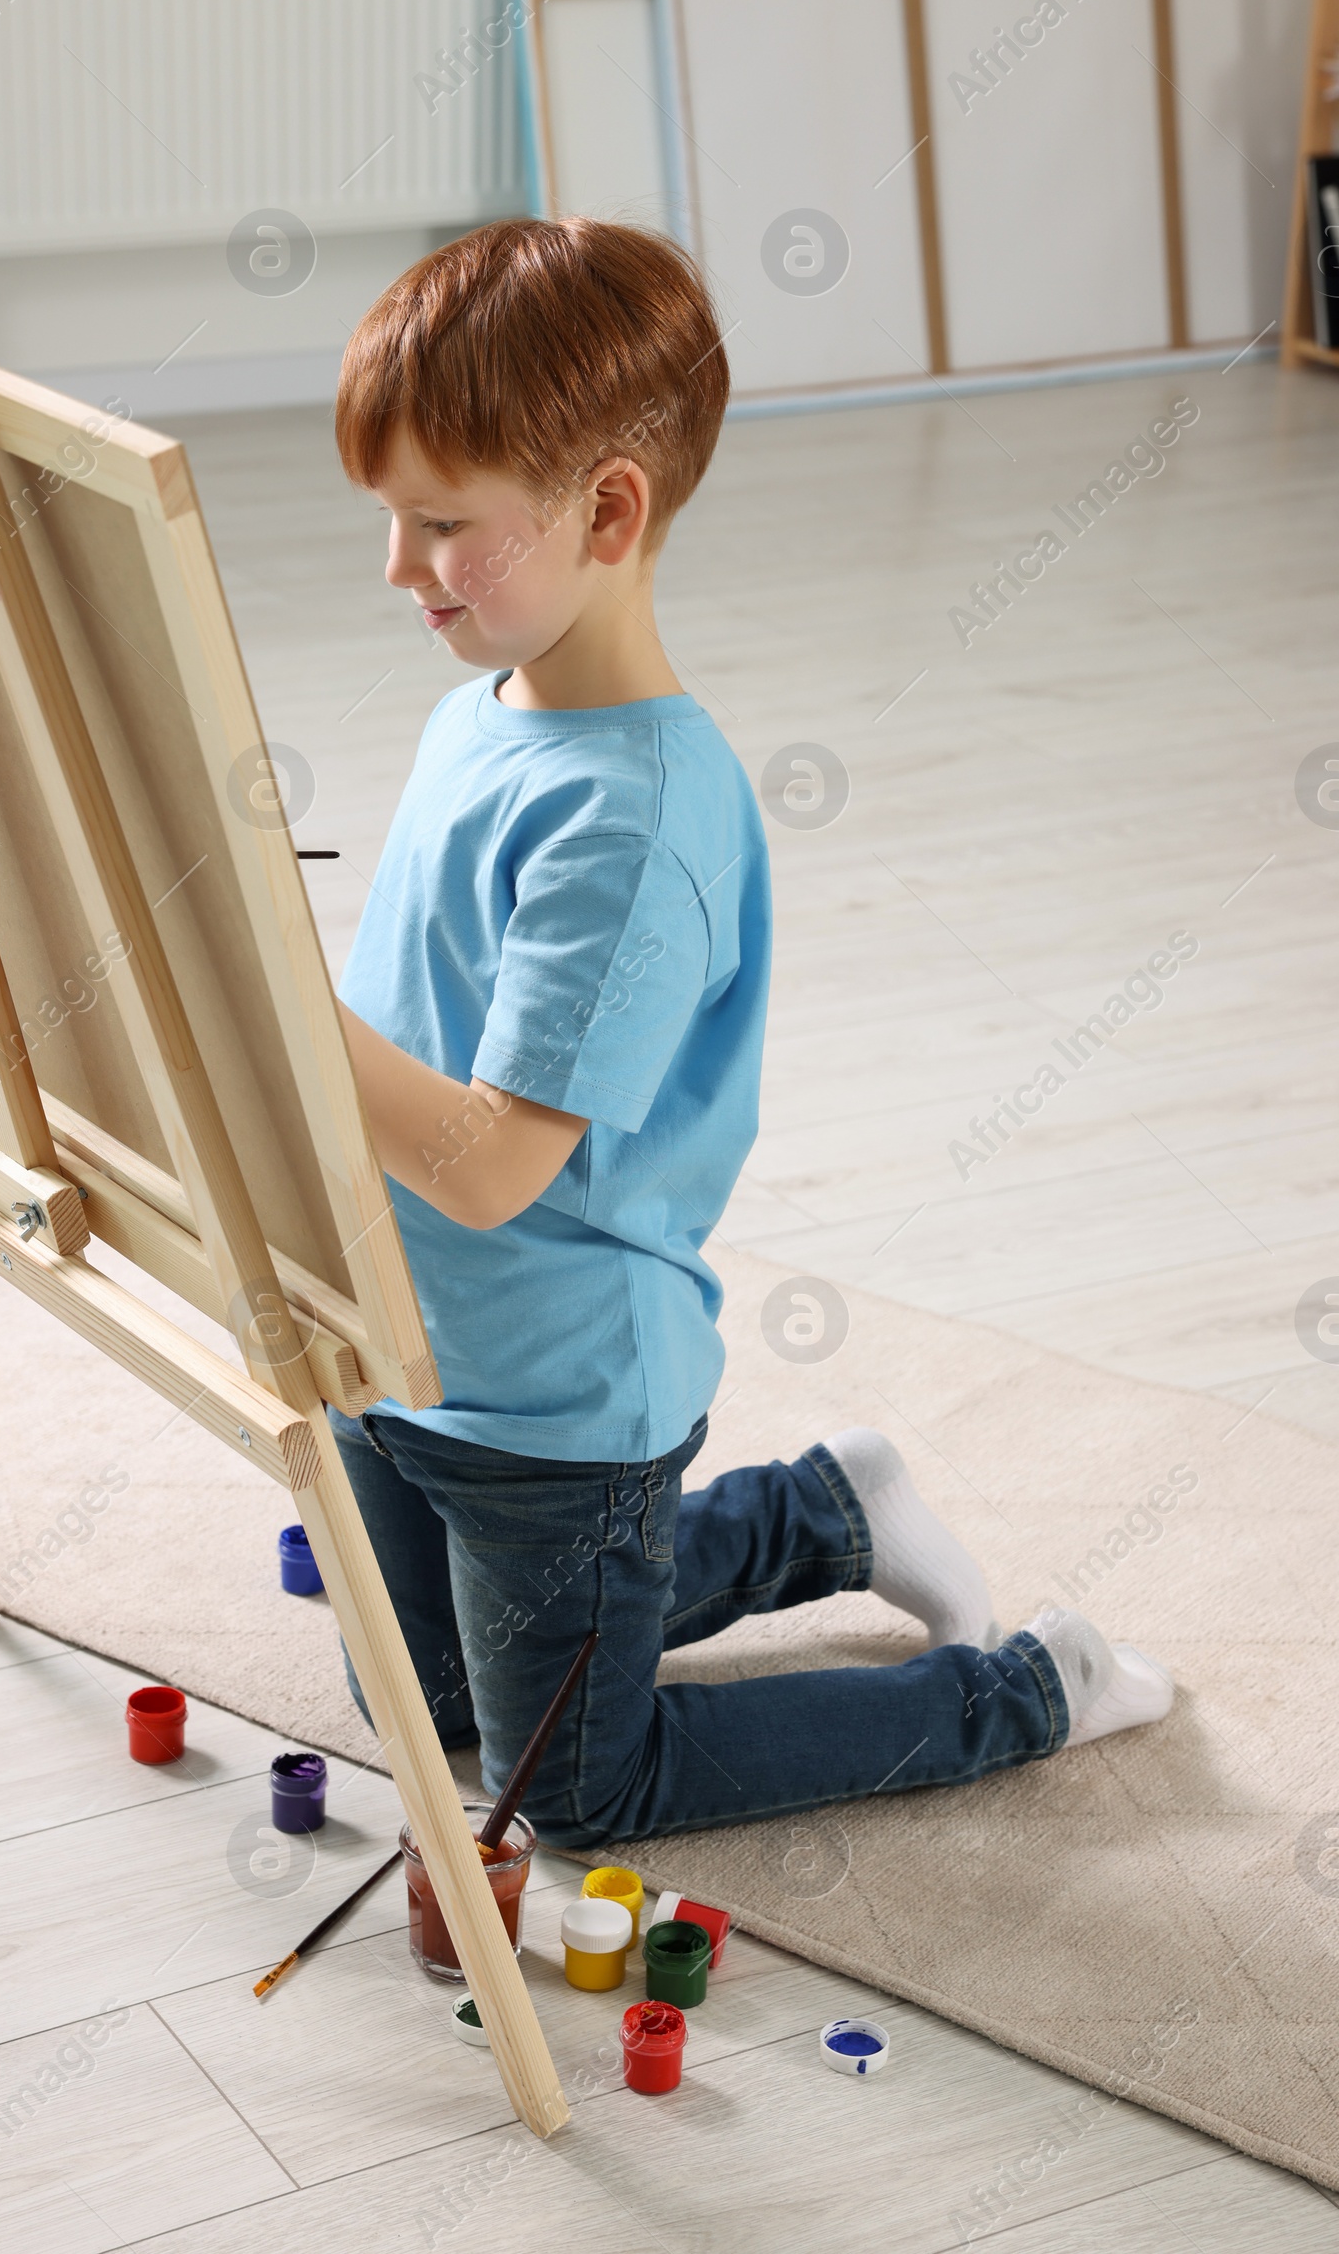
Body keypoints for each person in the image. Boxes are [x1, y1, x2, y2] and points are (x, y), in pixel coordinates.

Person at [327, 216, 1172, 1847]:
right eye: (390, 517)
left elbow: (499, 1165)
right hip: (401, 1340)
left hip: (558, 1400)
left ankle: (1034, 1689)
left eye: (441, 523)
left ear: (609, 509)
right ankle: (821, 1513)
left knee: (572, 1791)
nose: (396, 567)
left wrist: (269, 1008)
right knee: (414, 1704)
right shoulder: (474, 712)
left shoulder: (636, 825)